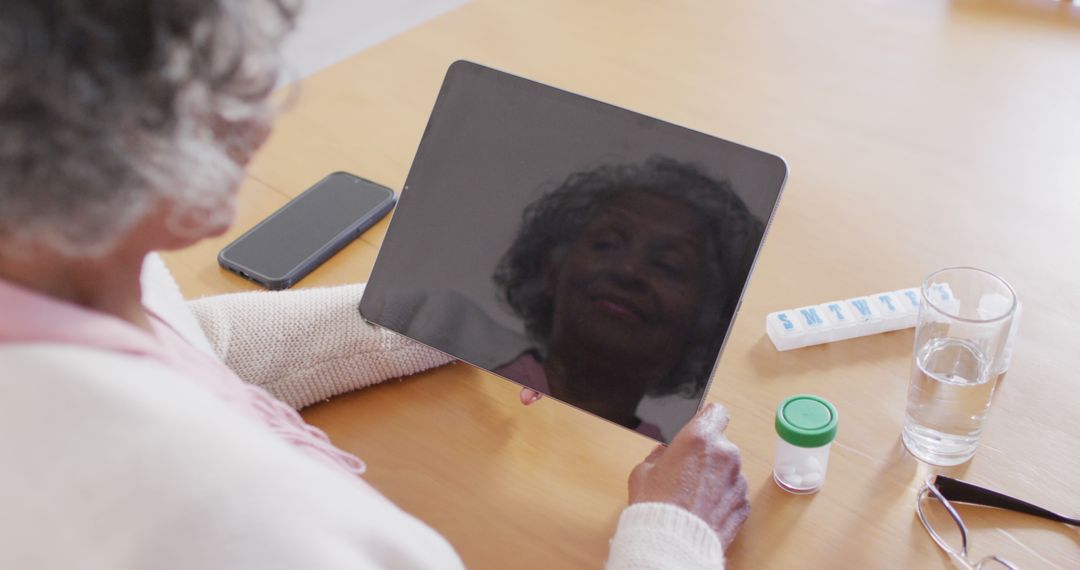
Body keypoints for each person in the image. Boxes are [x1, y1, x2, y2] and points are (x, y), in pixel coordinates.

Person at [0, 2, 749, 569]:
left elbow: (189, 346)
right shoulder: (231, 518)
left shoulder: (48, 252)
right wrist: (675, 532)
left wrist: (438, 319)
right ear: (144, 136)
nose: (269, 102)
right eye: (251, 70)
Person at [494, 158, 764, 441]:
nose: (629, 270)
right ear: (550, 270)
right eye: (606, 244)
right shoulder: (467, 379)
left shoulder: (660, 468)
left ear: (706, 325)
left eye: (667, 265)